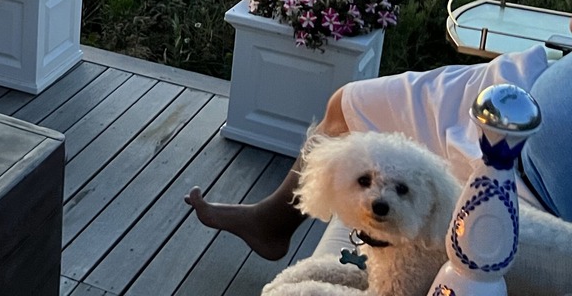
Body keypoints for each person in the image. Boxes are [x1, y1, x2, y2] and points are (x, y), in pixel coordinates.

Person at [184, 44, 570, 260]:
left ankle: (271, 224)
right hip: (520, 83)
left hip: (524, 169)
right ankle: (274, 221)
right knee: (348, 103)